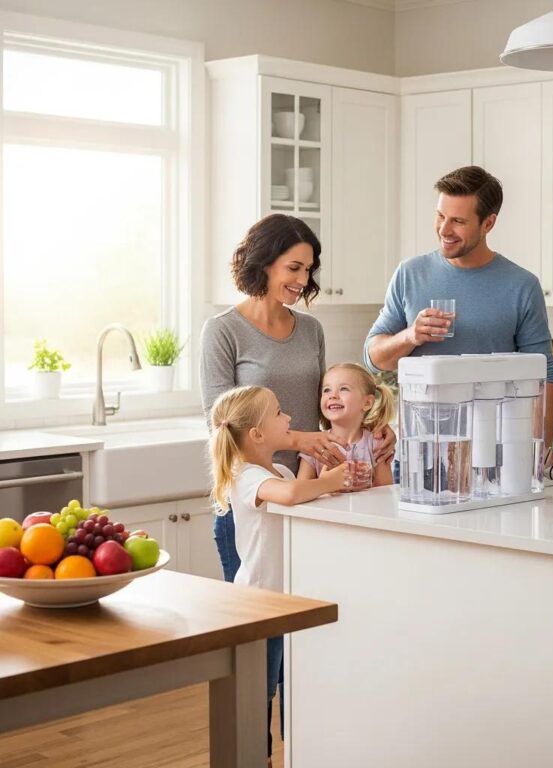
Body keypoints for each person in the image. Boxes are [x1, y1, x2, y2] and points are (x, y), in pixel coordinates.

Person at [199, 214, 395, 758]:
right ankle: (255, 750)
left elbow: (329, 408)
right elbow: (218, 420)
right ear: (262, 261)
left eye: (308, 269)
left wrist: (372, 434)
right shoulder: (223, 331)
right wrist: (306, 441)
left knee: (306, 644)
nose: (302, 280)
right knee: (257, 644)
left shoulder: (309, 329)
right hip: (255, 504)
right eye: (293, 266)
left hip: (313, 500)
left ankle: (308, 749)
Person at [363, 165, 553, 456]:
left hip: (493, 457)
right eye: (440, 216)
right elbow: (373, 359)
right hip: (419, 456)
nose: (444, 229)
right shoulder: (410, 274)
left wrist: (540, 449)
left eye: (457, 221)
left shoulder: (522, 286)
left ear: (488, 223)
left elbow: (544, 376)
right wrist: (411, 336)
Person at [208, 384, 351, 763]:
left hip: (286, 603)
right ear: (256, 434)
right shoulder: (246, 475)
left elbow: (302, 497)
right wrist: (333, 480)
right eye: (278, 412)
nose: (288, 417)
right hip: (261, 604)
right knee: (261, 690)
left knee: (292, 683)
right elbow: (289, 496)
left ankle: (293, 753)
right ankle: (257, 758)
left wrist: (331, 484)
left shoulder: (282, 469)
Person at [298, 362, 396, 487]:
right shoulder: (314, 446)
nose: (333, 395)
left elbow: (385, 492)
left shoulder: (377, 445)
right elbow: (300, 492)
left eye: (343, 389)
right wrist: (325, 484)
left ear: (367, 403)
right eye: (326, 390)